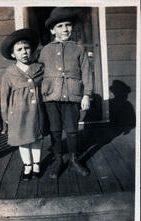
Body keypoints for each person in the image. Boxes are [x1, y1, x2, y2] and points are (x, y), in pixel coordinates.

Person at [39, 7, 93, 179]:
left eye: (67, 25)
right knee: (55, 130)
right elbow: (38, 71)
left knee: (71, 130)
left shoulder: (78, 49)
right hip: (51, 95)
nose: (64, 29)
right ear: (52, 29)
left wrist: (87, 94)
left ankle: (74, 159)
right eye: (60, 26)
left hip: (72, 94)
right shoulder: (45, 50)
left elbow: (86, 72)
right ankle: (58, 160)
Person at [0, 28, 44, 180]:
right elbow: (4, 97)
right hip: (18, 113)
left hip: (36, 111)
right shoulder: (9, 74)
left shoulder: (39, 69)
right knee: (22, 140)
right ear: (13, 54)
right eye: (19, 49)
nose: (24, 52)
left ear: (31, 50)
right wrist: (5, 115)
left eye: (26, 48)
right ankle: (27, 165)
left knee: (36, 138)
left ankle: (37, 164)